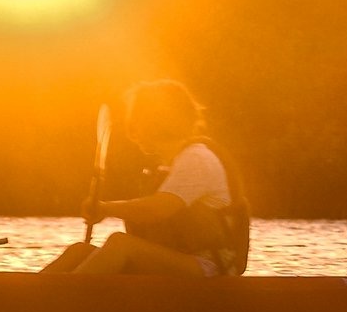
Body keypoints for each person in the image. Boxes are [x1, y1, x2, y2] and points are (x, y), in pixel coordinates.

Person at [45, 80, 248, 277]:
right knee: (80, 251)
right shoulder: (170, 165)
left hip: (211, 267)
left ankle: (64, 296)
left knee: (120, 244)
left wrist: (105, 208)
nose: (133, 132)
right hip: (180, 259)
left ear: (157, 122)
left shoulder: (196, 159)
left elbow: (157, 209)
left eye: (137, 121)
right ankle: (33, 293)